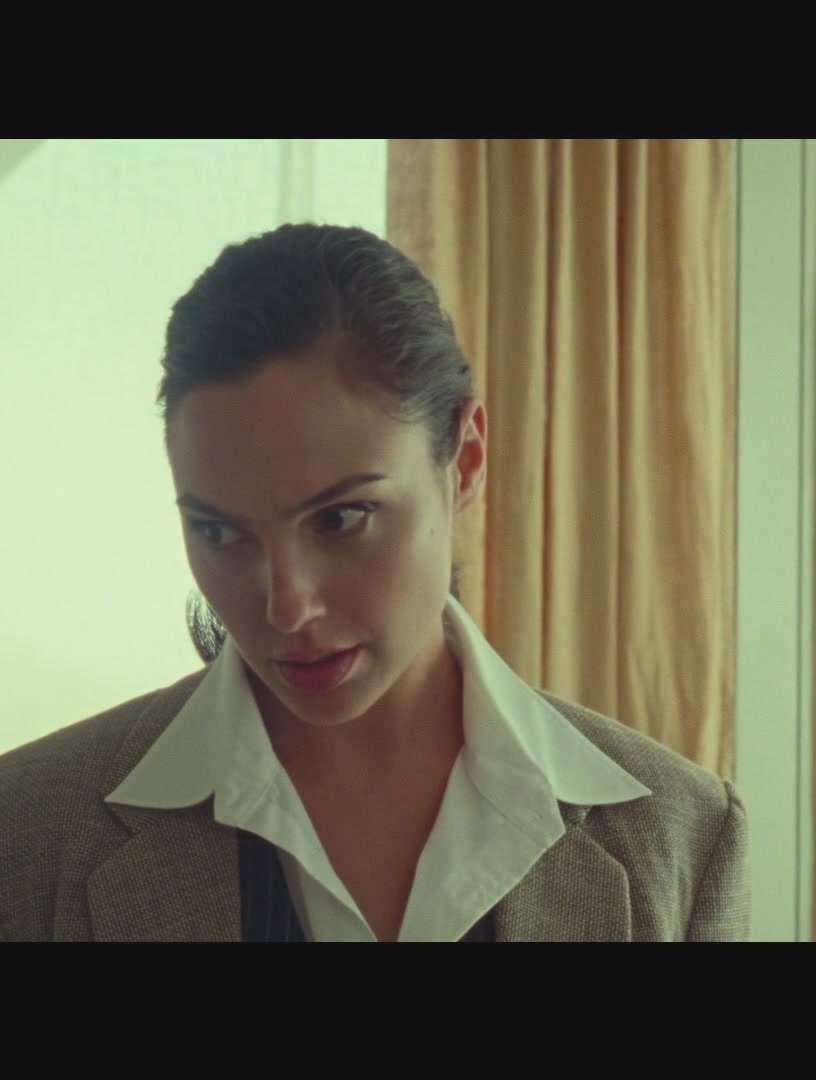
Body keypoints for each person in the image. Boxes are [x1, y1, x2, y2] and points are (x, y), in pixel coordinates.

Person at [0, 223, 747, 941]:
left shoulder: (682, 838)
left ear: (466, 460)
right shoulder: (28, 836)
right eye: (220, 533)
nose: (286, 606)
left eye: (340, 518)